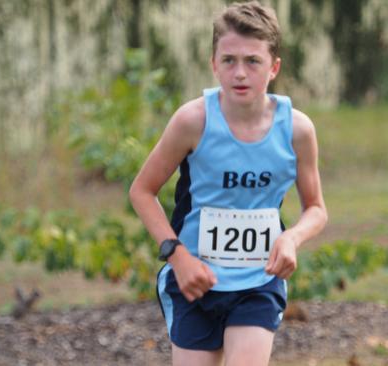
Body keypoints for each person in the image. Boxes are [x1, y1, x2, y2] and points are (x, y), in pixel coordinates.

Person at [129, 1, 327, 365]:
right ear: (213, 64)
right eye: (229, 60)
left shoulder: (297, 130)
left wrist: (290, 238)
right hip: (195, 280)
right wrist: (177, 255)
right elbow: (142, 191)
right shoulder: (192, 121)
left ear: (274, 68)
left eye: (253, 61)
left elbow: (316, 208)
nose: (240, 73)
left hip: (258, 281)